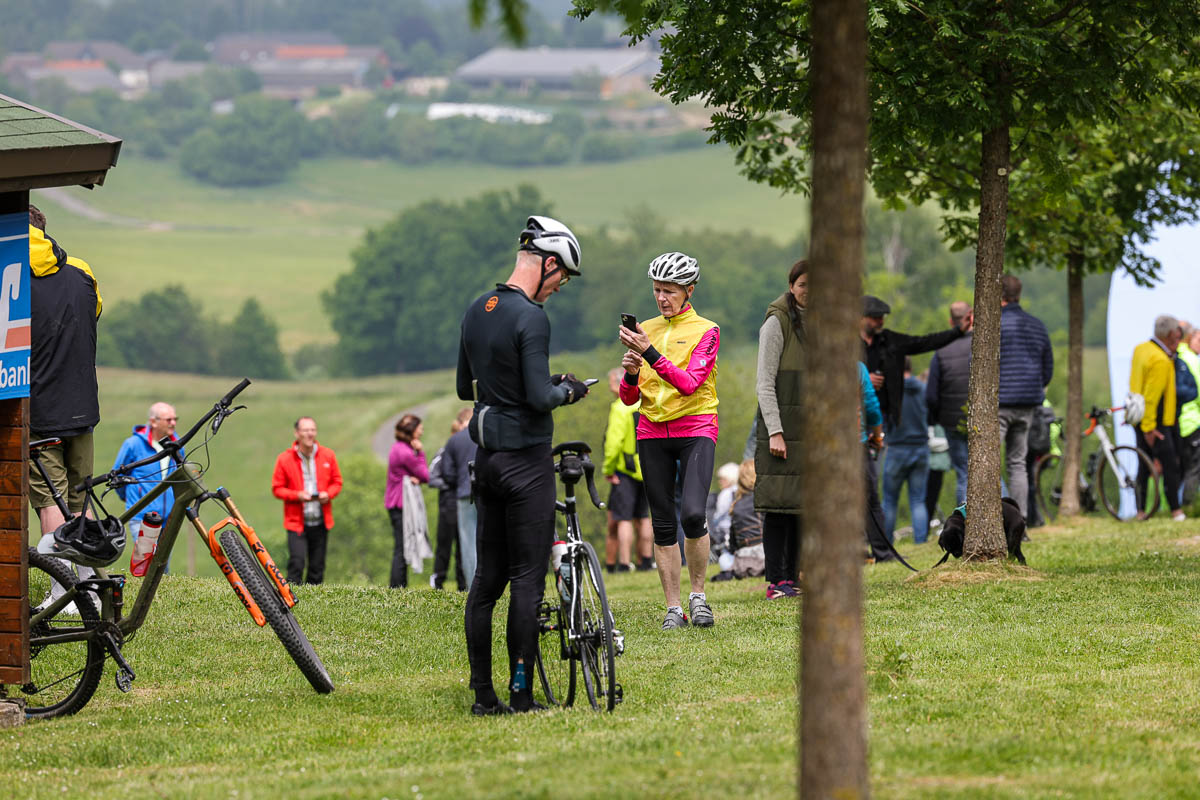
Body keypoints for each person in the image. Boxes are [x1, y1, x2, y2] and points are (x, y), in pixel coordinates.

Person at [457, 214, 588, 716]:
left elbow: (464, 386)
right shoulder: (532, 317)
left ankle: (482, 695)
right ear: (548, 263)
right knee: (527, 581)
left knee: (486, 583)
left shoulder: (477, 308)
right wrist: (568, 390)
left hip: (487, 463)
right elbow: (537, 397)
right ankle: (520, 693)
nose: (559, 287)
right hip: (527, 466)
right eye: (562, 277)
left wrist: (524, 386)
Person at [618, 251, 720, 630]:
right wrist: (631, 372)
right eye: (657, 290)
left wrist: (648, 351)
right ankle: (673, 608)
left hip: (696, 428)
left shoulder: (707, 331)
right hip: (652, 430)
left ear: (689, 290)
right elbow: (628, 398)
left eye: (670, 291)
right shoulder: (646, 329)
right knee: (662, 523)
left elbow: (690, 383)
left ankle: (699, 597)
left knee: (692, 514)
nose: (662, 298)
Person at [27, 204, 103, 611]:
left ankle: (63, 594)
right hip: (82, 404)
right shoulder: (82, 270)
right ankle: (87, 589)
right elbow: (96, 312)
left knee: (49, 501)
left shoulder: (11, 275)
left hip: (39, 410)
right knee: (81, 498)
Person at [754, 259, 806, 599]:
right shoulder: (777, 322)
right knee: (778, 506)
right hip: (781, 431)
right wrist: (775, 430)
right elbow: (764, 383)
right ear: (791, 287)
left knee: (802, 506)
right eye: (803, 285)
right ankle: (777, 581)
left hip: (810, 433)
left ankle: (795, 577)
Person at [860, 294, 968, 431]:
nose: (881, 321)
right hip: (855, 414)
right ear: (861, 317)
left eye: (882, 317)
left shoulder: (889, 341)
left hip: (884, 418)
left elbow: (924, 342)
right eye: (876, 317)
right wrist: (864, 379)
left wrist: (958, 331)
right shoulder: (847, 345)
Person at [996, 274, 1054, 520]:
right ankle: (1020, 522)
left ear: (999, 295)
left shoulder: (994, 325)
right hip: (1028, 404)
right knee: (1018, 464)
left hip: (999, 403)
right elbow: (1047, 368)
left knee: (989, 462)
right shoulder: (1037, 325)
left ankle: (992, 521)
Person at [111, 402, 184, 569]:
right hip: (142, 516)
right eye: (168, 420)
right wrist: (132, 498)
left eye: (175, 419)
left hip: (169, 517)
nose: (173, 423)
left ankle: (160, 585)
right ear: (153, 422)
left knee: (163, 563)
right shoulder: (133, 445)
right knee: (147, 560)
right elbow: (117, 477)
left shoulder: (177, 446)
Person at [271, 416, 343, 585]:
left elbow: (337, 482)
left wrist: (328, 494)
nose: (310, 433)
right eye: (306, 430)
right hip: (296, 522)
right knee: (296, 563)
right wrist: (297, 495)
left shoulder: (328, 455)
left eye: (313, 430)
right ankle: (291, 596)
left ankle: (314, 598)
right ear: (297, 433)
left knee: (317, 567)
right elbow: (277, 488)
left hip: (321, 520)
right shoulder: (285, 459)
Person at [1130, 315, 1185, 521]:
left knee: (1143, 467)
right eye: (1177, 335)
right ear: (1170, 334)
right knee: (1170, 465)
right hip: (1156, 422)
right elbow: (1152, 398)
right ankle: (1175, 510)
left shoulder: (1141, 350)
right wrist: (1150, 428)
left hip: (1138, 416)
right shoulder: (1160, 360)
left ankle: (1140, 510)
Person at [602, 368, 653, 572]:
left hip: (626, 470)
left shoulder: (620, 407)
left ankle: (624, 563)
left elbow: (614, 443)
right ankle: (646, 560)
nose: (609, 387)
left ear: (618, 384)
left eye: (610, 383)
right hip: (647, 467)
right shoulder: (643, 403)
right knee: (644, 516)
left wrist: (609, 468)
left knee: (624, 518)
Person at [925, 300, 973, 505]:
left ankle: (965, 520)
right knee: (991, 472)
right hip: (981, 418)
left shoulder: (942, 350)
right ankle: (1008, 517)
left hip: (952, 423)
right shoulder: (982, 345)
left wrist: (938, 418)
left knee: (963, 473)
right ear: (971, 317)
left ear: (950, 321)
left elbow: (931, 396)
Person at [882, 357, 930, 544]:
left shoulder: (891, 391)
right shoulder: (923, 389)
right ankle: (920, 541)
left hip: (896, 449)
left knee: (889, 500)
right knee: (918, 500)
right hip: (921, 448)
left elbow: (882, 416)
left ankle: (886, 544)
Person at [427, 410, 470, 591]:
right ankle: (438, 581)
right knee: (444, 544)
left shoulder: (468, 450)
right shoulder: (444, 452)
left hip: (462, 501)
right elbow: (432, 477)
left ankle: (462, 583)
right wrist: (450, 484)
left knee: (463, 546)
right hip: (449, 504)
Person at [385, 413, 429, 588]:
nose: (422, 431)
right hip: (401, 504)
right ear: (412, 430)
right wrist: (421, 453)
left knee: (401, 546)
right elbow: (425, 475)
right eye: (420, 428)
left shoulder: (397, 448)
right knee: (402, 547)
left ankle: (399, 585)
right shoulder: (405, 452)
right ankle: (397, 586)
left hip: (394, 502)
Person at [439, 407, 480, 589]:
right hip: (487, 493)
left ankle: (473, 587)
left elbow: (447, 473)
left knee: (468, 544)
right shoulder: (484, 436)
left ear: (462, 420)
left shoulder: (454, 440)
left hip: (464, 494)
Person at [1176, 324, 1200, 505]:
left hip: (1179, 422)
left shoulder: (1177, 357)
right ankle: (1189, 506)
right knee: (1194, 468)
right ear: (1189, 338)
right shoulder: (1191, 359)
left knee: (1183, 468)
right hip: (1192, 421)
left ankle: (1175, 506)